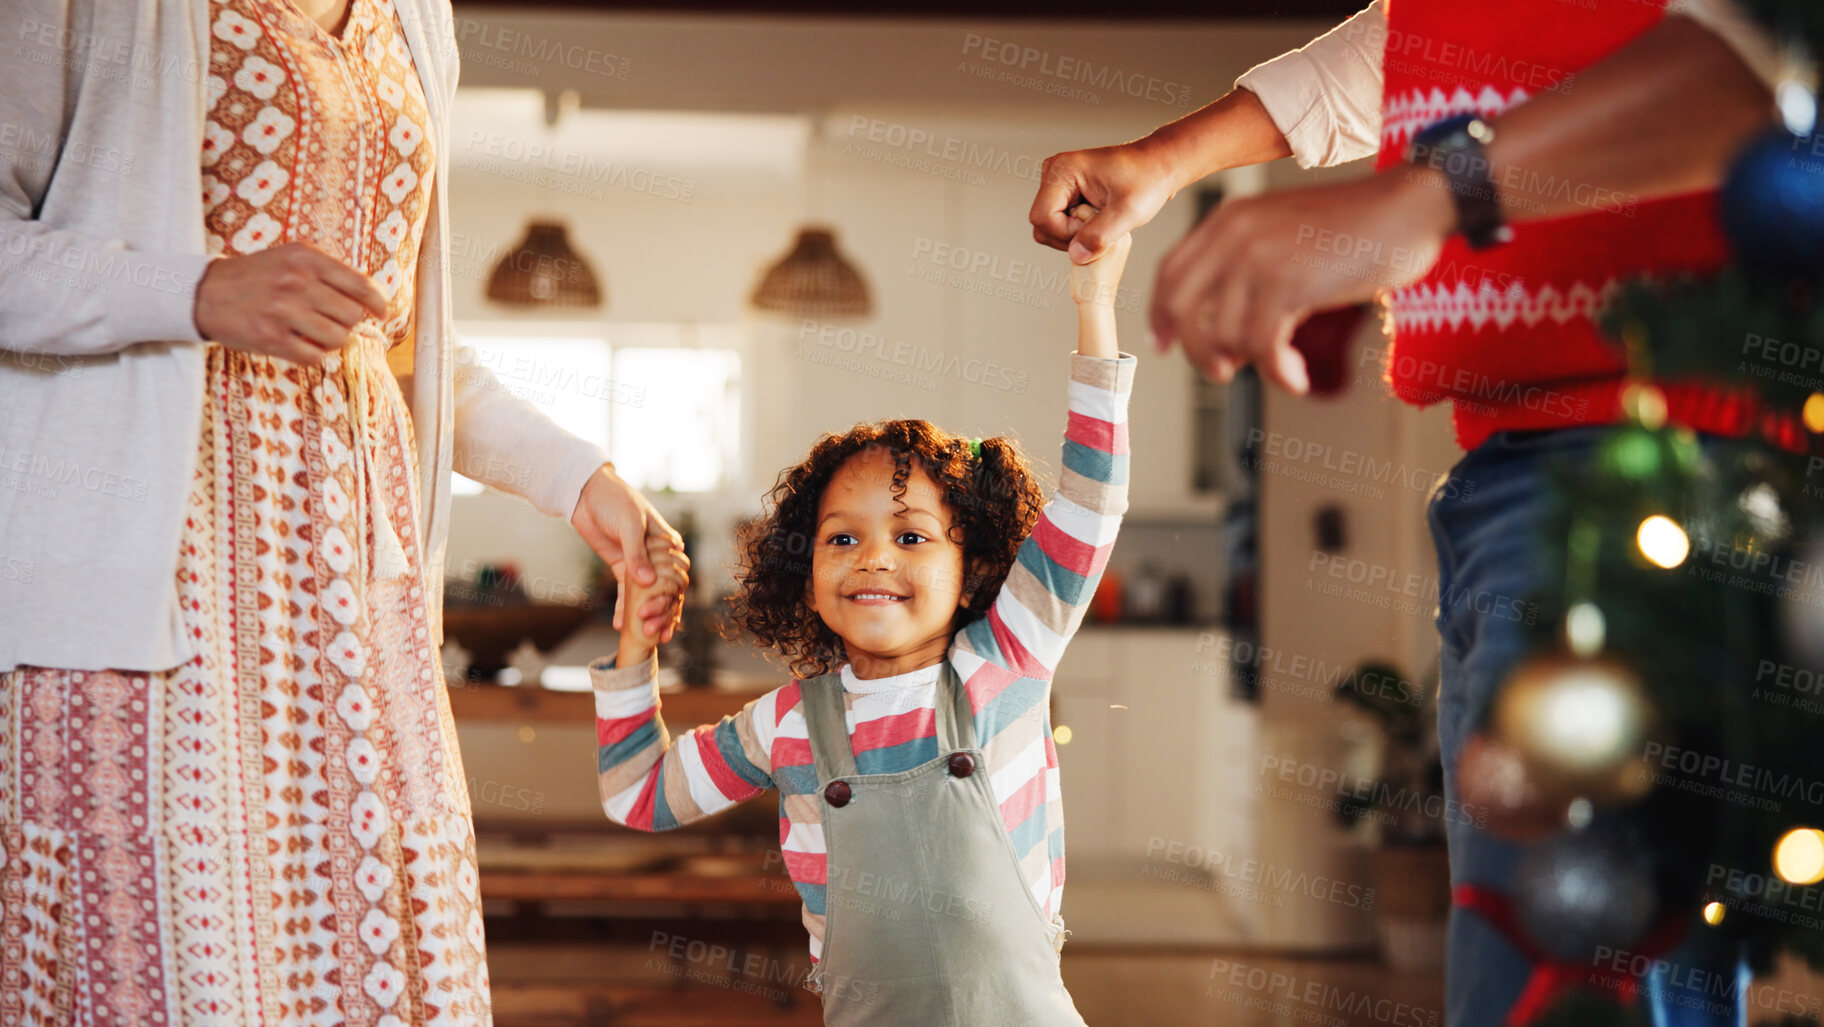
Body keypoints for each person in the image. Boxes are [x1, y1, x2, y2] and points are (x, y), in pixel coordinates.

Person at [1030, 2, 1789, 1025]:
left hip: (1645, 455)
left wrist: (1422, 198)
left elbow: (1773, 52)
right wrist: (1166, 159)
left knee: (1559, 956)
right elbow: (1416, 41)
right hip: (1518, 467)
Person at [0, 1, 685, 1023]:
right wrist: (192, 291)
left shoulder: (415, 18)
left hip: (356, 602)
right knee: (177, 967)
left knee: (378, 969)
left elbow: (398, 342)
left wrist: (581, 476)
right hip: (154, 579)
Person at [587, 212, 1136, 1025]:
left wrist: (1093, 304)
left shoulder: (1007, 659)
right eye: (842, 537)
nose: (873, 557)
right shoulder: (785, 724)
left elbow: (1092, 496)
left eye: (910, 535)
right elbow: (639, 796)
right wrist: (635, 647)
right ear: (804, 580)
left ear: (971, 571)